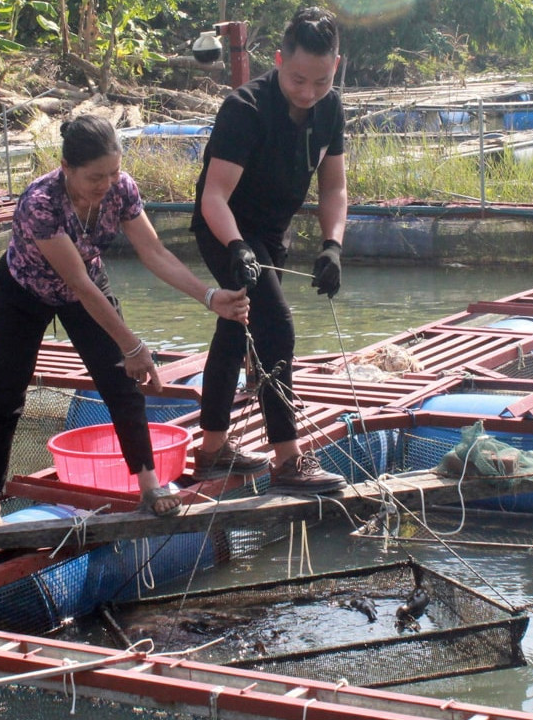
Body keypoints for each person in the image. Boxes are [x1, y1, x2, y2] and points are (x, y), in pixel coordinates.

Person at [0, 114, 251, 524]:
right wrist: (134, 345)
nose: (105, 185)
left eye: (113, 172)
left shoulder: (121, 189)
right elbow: (80, 286)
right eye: (94, 177)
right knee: (6, 395)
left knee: (123, 383)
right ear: (67, 169)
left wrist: (209, 296)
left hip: (86, 281)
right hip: (25, 292)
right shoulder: (40, 203)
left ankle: (148, 485)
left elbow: (154, 252)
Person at [190, 6, 348, 494]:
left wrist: (332, 246)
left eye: (320, 82)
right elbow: (214, 195)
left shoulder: (331, 108)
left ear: (335, 67)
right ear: (279, 59)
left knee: (236, 327)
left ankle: (212, 451)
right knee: (275, 324)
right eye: (297, 79)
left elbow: (333, 188)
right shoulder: (246, 109)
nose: (307, 92)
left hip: (272, 234)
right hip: (226, 228)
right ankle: (287, 459)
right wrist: (236, 247)